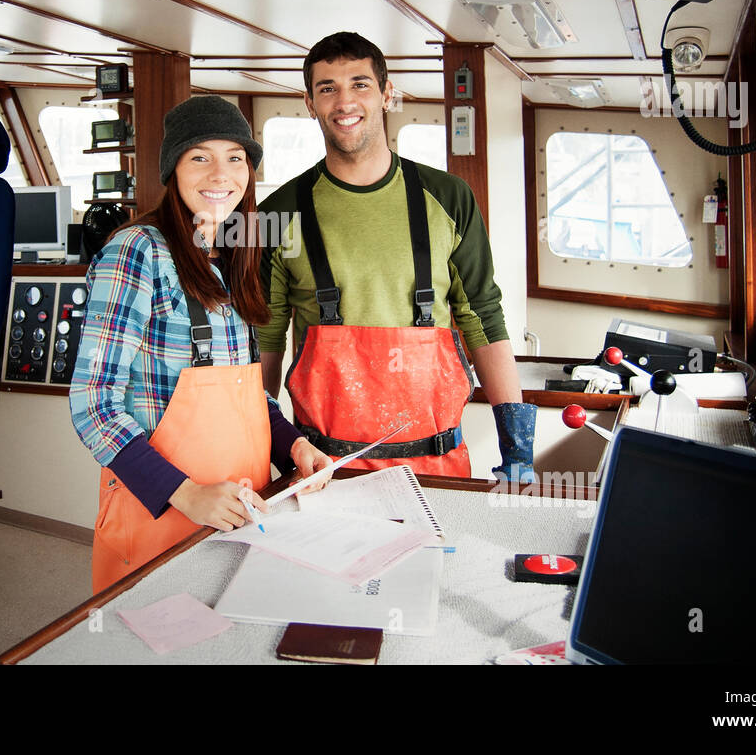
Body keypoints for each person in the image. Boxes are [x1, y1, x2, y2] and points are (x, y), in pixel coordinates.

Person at [71, 96, 333, 593]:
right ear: (174, 170)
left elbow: (246, 395)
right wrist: (185, 493)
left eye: (235, 157)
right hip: (162, 519)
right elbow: (93, 405)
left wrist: (294, 446)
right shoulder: (136, 250)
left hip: (243, 513)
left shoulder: (233, 253)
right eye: (200, 157)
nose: (221, 174)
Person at [258, 32, 537, 481]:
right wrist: (263, 448)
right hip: (325, 471)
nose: (344, 102)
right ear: (310, 103)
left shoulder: (449, 197)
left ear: (387, 94)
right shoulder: (276, 214)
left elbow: (481, 315)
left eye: (360, 84)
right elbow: (265, 338)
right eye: (327, 88)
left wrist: (518, 449)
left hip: (438, 468)